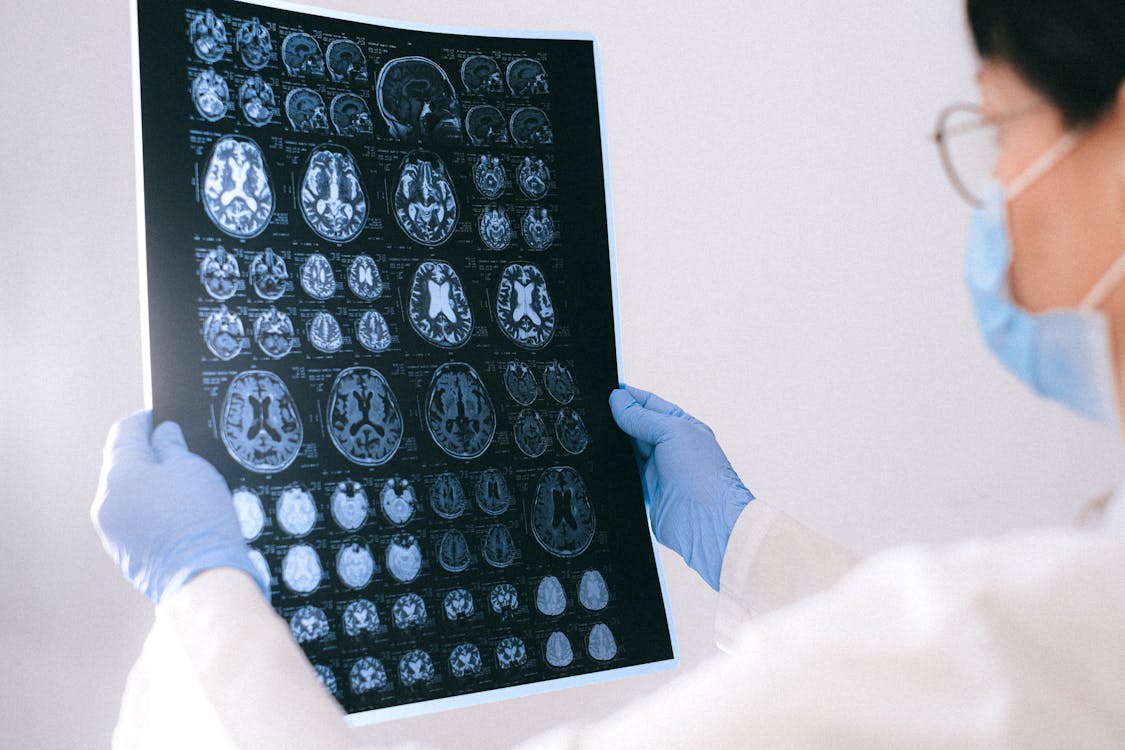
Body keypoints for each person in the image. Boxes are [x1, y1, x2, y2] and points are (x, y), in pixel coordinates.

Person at [93, 2, 1125, 747]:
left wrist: (205, 594)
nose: (994, 188)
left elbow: (969, 662)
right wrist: (748, 542)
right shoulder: (1052, 633)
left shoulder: (1017, 644)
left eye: (998, 125)